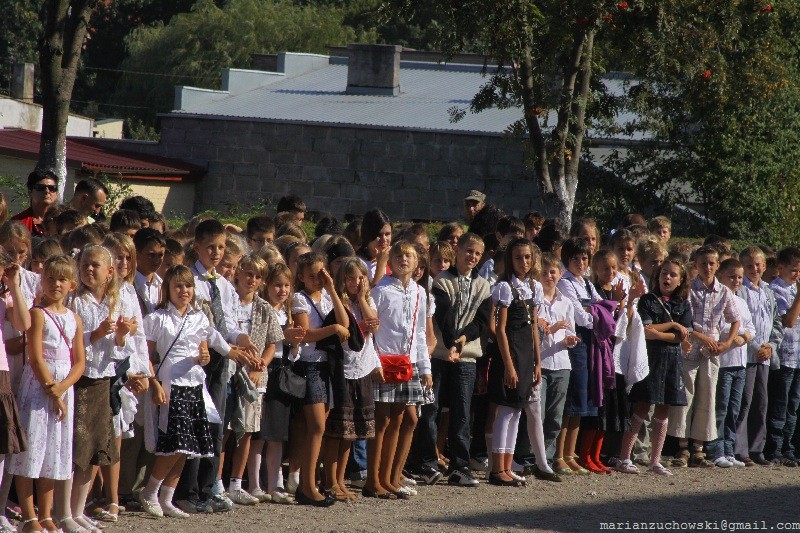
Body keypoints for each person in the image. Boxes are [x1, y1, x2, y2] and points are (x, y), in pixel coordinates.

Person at [140, 265, 248, 519]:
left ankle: (167, 497)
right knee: (174, 444)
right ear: (168, 289)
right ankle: (150, 491)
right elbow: (147, 356)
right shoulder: (157, 318)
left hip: (194, 384)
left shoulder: (199, 318)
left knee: (187, 446)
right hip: (170, 384)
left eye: (188, 285)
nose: (183, 291)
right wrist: (154, 384)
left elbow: (206, 349)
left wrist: (205, 357)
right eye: (177, 286)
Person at [175, 219, 259, 514]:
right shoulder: (191, 281)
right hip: (197, 359)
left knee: (216, 424)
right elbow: (204, 326)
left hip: (222, 361)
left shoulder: (223, 284)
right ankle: (187, 490)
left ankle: (209, 487)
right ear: (197, 247)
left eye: (221, 247)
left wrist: (243, 340)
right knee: (195, 422)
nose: (216, 253)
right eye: (210, 247)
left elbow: (229, 323)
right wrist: (229, 349)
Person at [10, 256, 83, 533]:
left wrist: (63, 388)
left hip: (63, 388)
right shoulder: (38, 313)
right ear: (42, 281)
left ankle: (46, 512)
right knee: (32, 448)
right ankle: (29, 515)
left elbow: (80, 362)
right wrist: (53, 392)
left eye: (62, 279)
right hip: (39, 389)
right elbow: (36, 356)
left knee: (53, 449)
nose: (56, 284)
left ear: (71, 285)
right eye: (51, 278)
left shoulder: (74, 318)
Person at [69, 244, 134, 531]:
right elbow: (68, 341)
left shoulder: (116, 302)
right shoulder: (75, 300)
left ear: (109, 272)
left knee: (94, 447)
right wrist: (94, 334)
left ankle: (78, 508)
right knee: (76, 447)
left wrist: (121, 335)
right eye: (84, 264)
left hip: (103, 379)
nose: (89, 269)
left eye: (95, 265)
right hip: (79, 379)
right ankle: (65, 510)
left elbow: (121, 350)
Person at [367, 242, 431, 499]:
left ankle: (389, 478)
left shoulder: (419, 292)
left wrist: (425, 367)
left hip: (408, 362)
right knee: (381, 420)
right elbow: (370, 331)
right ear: (390, 261)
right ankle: (373, 480)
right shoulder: (380, 290)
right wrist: (374, 362)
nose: (404, 259)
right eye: (398, 255)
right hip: (384, 362)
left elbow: (420, 333)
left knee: (399, 419)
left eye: (409, 256)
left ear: (417, 263)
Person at [426, 233, 490, 487]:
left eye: (477, 253)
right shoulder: (442, 280)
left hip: (467, 356)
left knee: (462, 412)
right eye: (469, 251)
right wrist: (452, 343)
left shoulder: (483, 285)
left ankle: (460, 466)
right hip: (440, 353)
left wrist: (463, 341)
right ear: (458, 250)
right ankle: (427, 462)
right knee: (431, 409)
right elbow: (444, 316)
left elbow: (481, 321)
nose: (472, 256)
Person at [618, 259, 691, 475]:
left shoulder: (683, 304)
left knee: (664, 409)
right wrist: (672, 325)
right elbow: (645, 330)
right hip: (651, 359)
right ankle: (624, 457)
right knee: (642, 407)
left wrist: (662, 333)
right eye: (664, 273)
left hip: (672, 361)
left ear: (680, 280)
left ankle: (655, 460)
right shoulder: (648, 300)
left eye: (673, 275)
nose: (667, 277)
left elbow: (681, 336)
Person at [669, 245, 740, 468]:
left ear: (717, 266)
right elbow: (681, 319)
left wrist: (727, 342)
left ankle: (698, 447)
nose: (707, 267)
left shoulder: (724, 291)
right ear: (696, 265)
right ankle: (682, 446)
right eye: (703, 263)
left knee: (707, 397)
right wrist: (699, 336)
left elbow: (735, 319)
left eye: (711, 263)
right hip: (690, 348)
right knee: (686, 396)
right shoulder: (689, 288)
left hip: (711, 352)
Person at [290, 252, 349, 506]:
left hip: (327, 366)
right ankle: (308, 486)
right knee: (316, 427)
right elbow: (305, 334)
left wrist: (332, 289)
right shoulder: (299, 298)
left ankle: (308, 484)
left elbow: (345, 323)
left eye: (320, 275)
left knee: (318, 428)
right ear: (302, 277)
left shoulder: (326, 296)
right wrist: (333, 329)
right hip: (309, 364)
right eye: (311, 276)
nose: (316, 280)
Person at [224, 255, 283, 506]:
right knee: (225, 430)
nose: (252, 280)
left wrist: (261, 366)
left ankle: (237, 483)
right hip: (228, 369)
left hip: (253, 376)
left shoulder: (264, 307)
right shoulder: (226, 301)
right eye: (249, 274)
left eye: (258, 277)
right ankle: (217, 483)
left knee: (246, 431)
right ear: (238, 273)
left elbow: (272, 343)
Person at [321, 258, 381, 501]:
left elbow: (374, 325)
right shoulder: (338, 302)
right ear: (342, 280)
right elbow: (345, 332)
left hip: (363, 368)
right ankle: (329, 481)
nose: (355, 282)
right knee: (337, 431)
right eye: (350, 278)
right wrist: (360, 326)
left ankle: (341, 480)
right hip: (343, 368)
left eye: (360, 278)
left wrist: (363, 298)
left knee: (351, 432)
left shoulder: (366, 301)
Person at [487, 238, 545, 486]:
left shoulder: (533, 287)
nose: (524, 262)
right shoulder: (505, 287)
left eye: (527, 257)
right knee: (506, 410)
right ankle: (497, 469)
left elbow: (534, 328)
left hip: (526, 355)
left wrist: (537, 361)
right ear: (510, 260)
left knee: (518, 410)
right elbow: (500, 329)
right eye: (518, 257)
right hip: (510, 353)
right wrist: (509, 365)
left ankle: (508, 467)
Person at [555, 237, 602, 475]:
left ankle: (571, 453)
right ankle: (559, 454)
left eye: (584, 258)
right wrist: (597, 313)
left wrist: (595, 310)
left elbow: (605, 308)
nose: (581, 263)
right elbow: (581, 318)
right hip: (576, 345)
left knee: (582, 402)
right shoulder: (565, 283)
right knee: (571, 402)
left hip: (589, 345)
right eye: (575, 258)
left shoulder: (587, 284)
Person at [735, 246, 783, 466]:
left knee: (761, 403)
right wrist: (754, 346)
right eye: (749, 266)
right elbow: (740, 322)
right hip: (747, 354)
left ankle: (757, 448)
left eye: (757, 265)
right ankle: (740, 448)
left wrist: (771, 346)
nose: (754, 269)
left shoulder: (768, 291)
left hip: (765, 355)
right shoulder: (741, 291)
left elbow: (777, 322)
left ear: (764, 266)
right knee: (745, 401)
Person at [707, 258, 755, 468]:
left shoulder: (741, 302)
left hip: (740, 362)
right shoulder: (718, 299)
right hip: (724, 361)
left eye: (739, 277)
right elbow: (719, 326)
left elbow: (751, 327)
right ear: (721, 276)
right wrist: (737, 333)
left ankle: (729, 449)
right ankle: (716, 449)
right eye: (732, 277)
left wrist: (744, 337)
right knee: (721, 407)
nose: (736, 281)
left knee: (734, 408)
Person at [538, 253, 578, 474]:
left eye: (552, 272)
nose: (548, 276)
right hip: (541, 362)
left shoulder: (566, 302)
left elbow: (570, 331)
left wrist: (570, 340)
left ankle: (548, 456)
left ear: (560, 273)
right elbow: (534, 333)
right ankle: (533, 457)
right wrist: (550, 330)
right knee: (539, 413)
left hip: (562, 363)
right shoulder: (536, 301)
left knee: (555, 415)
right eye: (544, 272)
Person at [765, 246, 800, 466]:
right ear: (780, 267)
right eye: (793, 270)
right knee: (780, 405)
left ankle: (789, 447)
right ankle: (775, 449)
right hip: (784, 356)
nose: (797, 275)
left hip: (798, 356)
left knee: (793, 407)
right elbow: (788, 321)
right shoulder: (775, 290)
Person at [11, 169, 59, 237]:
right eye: (41, 187)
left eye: (52, 188)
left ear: (56, 193)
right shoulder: (17, 223)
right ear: (30, 193)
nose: (47, 191)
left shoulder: (65, 220)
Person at [357, 210, 392, 288]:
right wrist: (381, 264)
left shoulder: (395, 259)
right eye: (379, 235)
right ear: (368, 236)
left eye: (387, 234)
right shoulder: (358, 263)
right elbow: (374, 293)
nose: (384, 239)